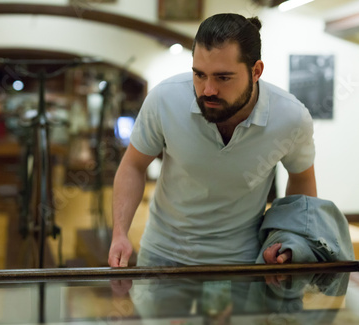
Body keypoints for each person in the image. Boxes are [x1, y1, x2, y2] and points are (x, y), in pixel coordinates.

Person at [108, 13, 317, 268]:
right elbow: (133, 165)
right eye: (199, 74)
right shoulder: (165, 99)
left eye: (223, 77)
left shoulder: (291, 118)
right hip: (163, 256)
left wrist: (293, 240)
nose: (208, 90)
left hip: (242, 262)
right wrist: (120, 233)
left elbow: (302, 179)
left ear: (256, 71)